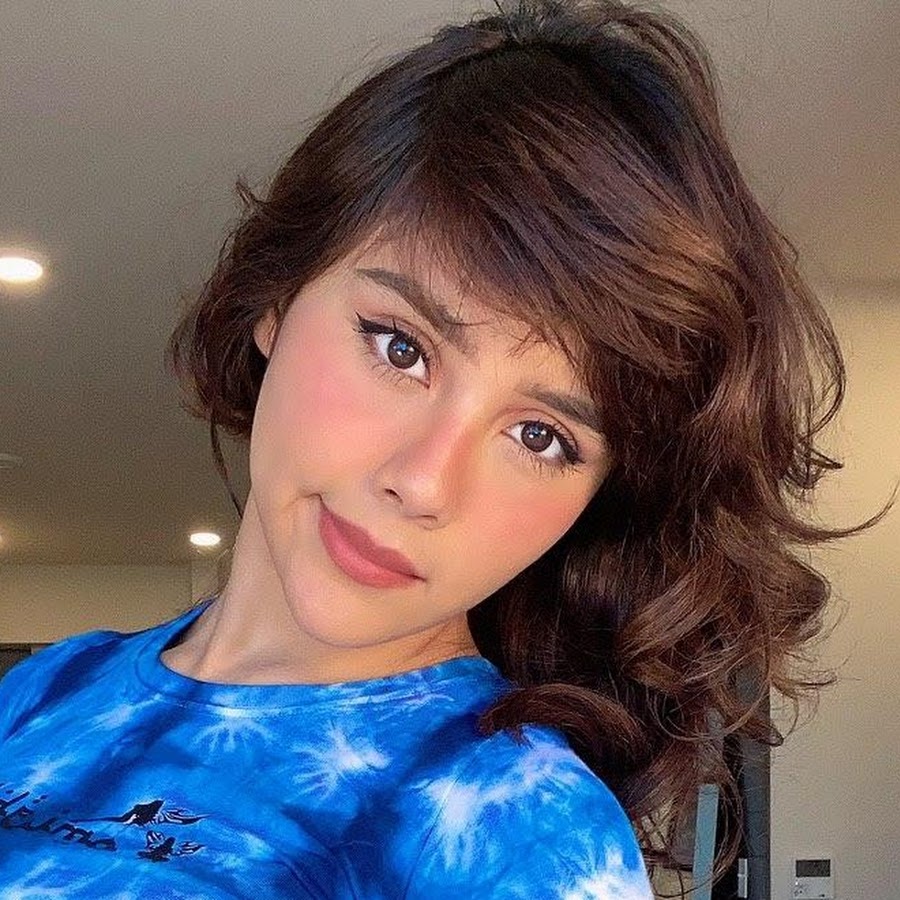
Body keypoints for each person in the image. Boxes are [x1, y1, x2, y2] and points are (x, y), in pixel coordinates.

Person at [0, 1, 873, 896]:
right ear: (275, 298)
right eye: (400, 347)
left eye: (541, 436)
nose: (423, 482)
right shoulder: (50, 687)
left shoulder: (523, 835)